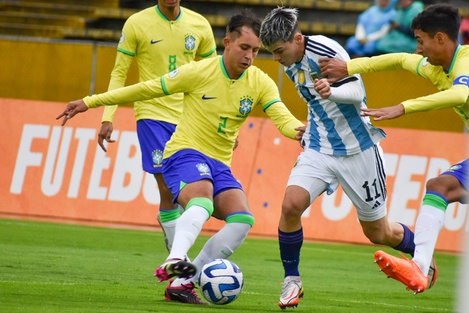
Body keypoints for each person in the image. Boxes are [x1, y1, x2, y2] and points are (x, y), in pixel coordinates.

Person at [57, 9, 305, 305]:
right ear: (227, 42)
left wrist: (299, 131)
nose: (249, 56)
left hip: (219, 163)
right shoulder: (199, 72)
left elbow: (281, 116)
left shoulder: (259, 81)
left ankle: (184, 280)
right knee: (201, 200)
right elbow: (145, 88)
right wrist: (90, 102)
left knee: (242, 219)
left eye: (255, 50)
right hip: (184, 152)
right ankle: (175, 257)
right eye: (244, 48)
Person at [260, 7, 420, 309]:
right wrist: (310, 126)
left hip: (358, 149)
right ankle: (291, 280)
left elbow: (358, 91)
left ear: (297, 39)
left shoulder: (325, 50)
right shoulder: (291, 60)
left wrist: (332, 93)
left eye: (279, 51)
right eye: (273, 53)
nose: (277, 59)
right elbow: (314, 99)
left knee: (378, 232)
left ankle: (421, 251)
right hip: (320, 147)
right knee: (290, 205)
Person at [320, 3, 469, 294]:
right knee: (440, 186)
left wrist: (402, 107)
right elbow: (399, 60)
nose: (418, 49)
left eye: (420, 41)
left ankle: (420, 265)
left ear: (440, 38)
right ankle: (420, 267)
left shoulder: (465, 62)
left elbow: (461, 93)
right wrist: (349, 66)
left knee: (441, 185)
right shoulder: (437, 67)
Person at [97, 0, 217, 261]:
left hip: (189, 116)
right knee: (167, 187)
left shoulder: (200, 25)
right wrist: (108, 116)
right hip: (152, 115)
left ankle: (171, 228)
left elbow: (214, 77)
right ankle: (179, 262)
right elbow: (119, 73)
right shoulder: (137, 23)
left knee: (189, 191)